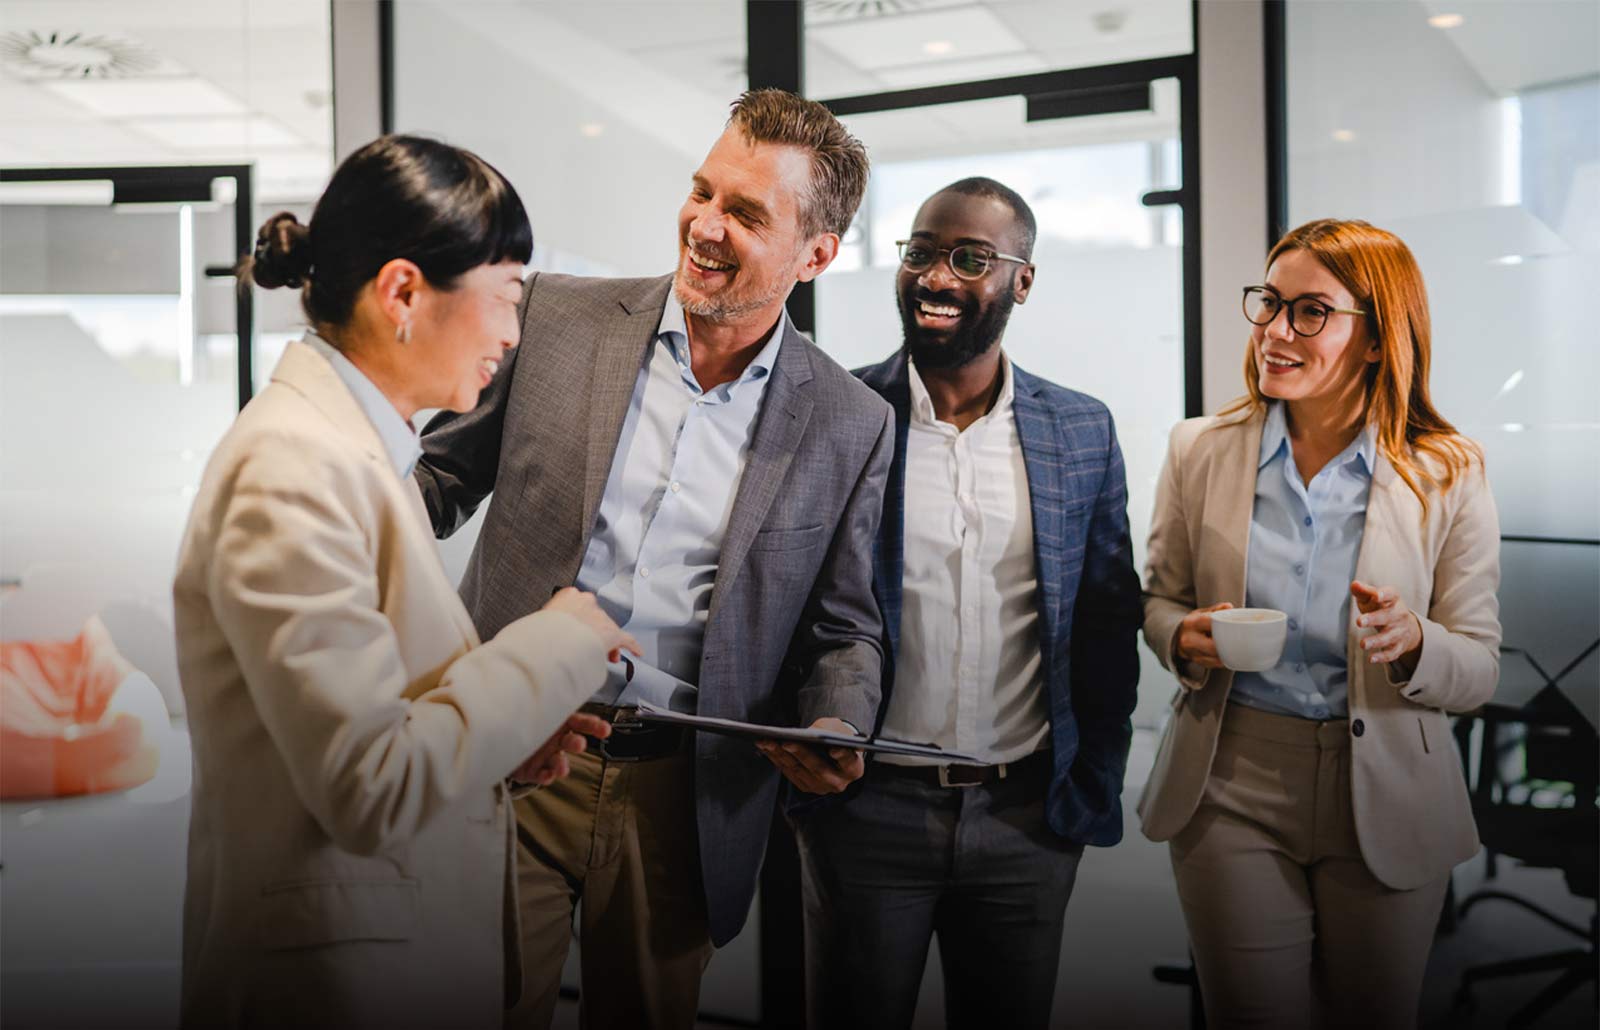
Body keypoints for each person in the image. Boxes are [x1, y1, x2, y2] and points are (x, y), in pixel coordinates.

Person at [413, 89, 892, 1029]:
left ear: (818, 255)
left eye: (746, 214)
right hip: (512, 746)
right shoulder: (553, 317)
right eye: (702, 191)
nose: (705, 226)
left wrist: (839, 715)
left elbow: (845, 625)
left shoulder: (850, 421)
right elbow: (437, 481)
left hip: (684, 792)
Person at [172, 135, 636, 1030]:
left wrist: (495, 752)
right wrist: (561, 640)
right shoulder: (293, 468)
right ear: (402, 294)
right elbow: (369, 785)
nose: (513, 334)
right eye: (508, 299)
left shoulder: (359, 453)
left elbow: (382, 725)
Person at [790, 178, 1142, 1030]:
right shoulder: (840, 411)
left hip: (1026, 817)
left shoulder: (1081, 430)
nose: (936, 276)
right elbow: (798, 608)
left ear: (1021, 281)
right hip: (869, 814)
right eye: (920, 251)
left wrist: (1087, 784)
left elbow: (1106, 626)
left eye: (969, 258)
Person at [1139, 218, 1501, 1028]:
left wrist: (1416, 644)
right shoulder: (1199, 450)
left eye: (1310, 312)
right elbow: (1158, 599)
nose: (1274, 331)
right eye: (1269, 304)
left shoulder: (1448, 471)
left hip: (1386, 779)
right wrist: (1179, 635)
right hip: (1230, 776)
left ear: (1377, 339)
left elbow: (1479, 666)